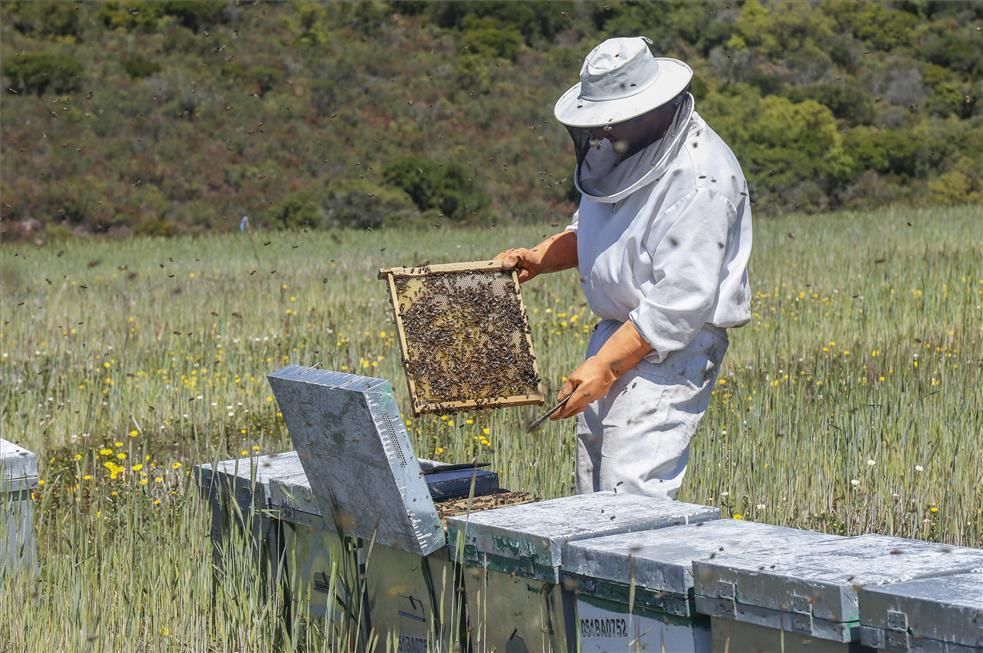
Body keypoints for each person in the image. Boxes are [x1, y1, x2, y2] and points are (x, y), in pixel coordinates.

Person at [494, 36, 752, 499]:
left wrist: (606, 368)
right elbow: (596, 232)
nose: (604, 132)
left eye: (613, 121)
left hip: (672, 349)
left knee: (630, 494)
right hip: (616, 335)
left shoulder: (700, 177)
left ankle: (636, 575)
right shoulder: (624, 152)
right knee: (592, 487)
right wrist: (539, 257)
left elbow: (679, 303)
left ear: (653, 107)